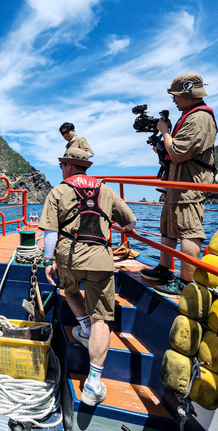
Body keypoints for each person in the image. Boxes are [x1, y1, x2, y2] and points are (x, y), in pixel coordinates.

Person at [39, 148, 136, 406]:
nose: (61, 169)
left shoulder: (58, 191)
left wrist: (48, 261)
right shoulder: (106, 190)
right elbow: (131, 223)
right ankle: (93, 383)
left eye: (62, 165)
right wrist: (118, 227)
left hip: (69, 257)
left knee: (69, 290)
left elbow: (50, 233)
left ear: (70, 166)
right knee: (101, 317)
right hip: (100, 259)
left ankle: (84, 328)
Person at [140, 73, 218, 296]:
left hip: (190, 183)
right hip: (177, 181)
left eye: (176, 95)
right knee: (169, 226)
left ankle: (186, 282)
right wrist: (162, 145)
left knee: (188, 229)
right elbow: (173, 151)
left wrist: (165, 132)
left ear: (188, 93)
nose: (173, 99)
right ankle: (164, 269)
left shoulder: (200, 118)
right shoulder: (190, 116)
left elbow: (178, 152)